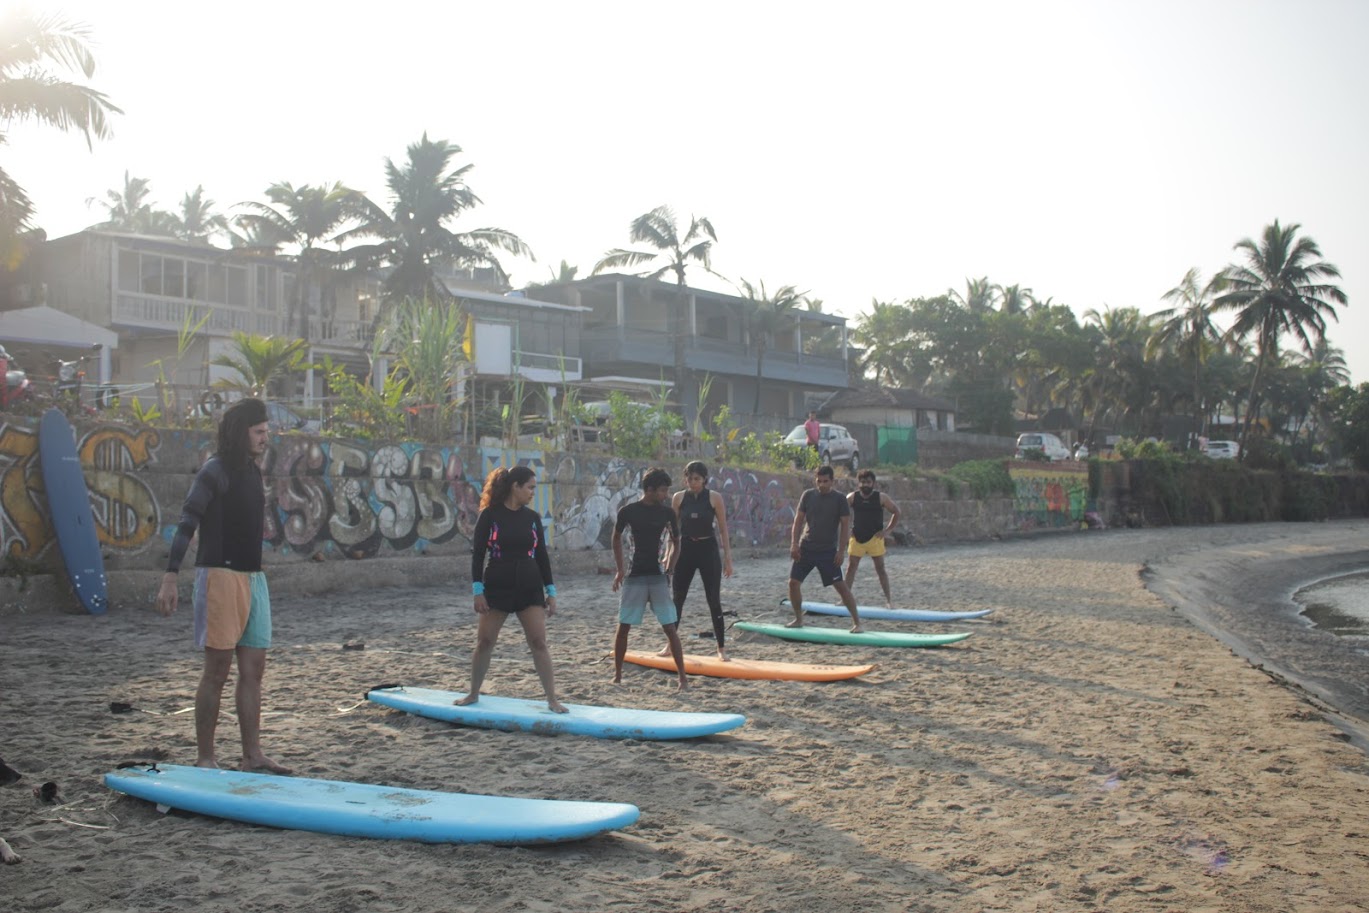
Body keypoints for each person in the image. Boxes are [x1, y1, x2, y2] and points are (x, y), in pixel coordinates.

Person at [155, 398, 291, 773]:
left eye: (266, 431)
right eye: (259, 432)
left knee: (254, 671)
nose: (266, 438)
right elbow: (187, 521)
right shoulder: (214, 470)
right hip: (219, 577)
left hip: (253, 578)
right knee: (216, 671)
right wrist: (170, 576)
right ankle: (206, 757)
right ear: (240, 432)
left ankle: (252, 755)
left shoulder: (252, 470)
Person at [460, 465, 566, 713]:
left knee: (539, 642)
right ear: (515, 487)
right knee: (485, 642)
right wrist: (478, 591)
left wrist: (551, 592)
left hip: (529, 587)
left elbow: (541, 556)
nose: (532, 493)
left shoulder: (532, 518)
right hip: (497, 586)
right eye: (529, 487)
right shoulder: (490, 516)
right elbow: (478, 556)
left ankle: (552, 699)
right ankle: (473, 693)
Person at [611, 468, 688, 690]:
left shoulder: (667, 514)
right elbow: (615, 537)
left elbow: (676, 541)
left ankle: (682, 678)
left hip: (657, 577)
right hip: (634, 577)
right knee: (624, 626)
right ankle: (617, 676)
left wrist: (670, 569)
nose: (666, 495)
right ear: (650, 490)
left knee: (670, 627)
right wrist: (619, 569)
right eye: (663, 490)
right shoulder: (628, 511)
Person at [668, 460, 734, 660]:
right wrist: (668, 554)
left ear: (704, 479)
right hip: (686, 549)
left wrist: (728, 559)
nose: (692, 482)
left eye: (696, 478)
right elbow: (673, 531)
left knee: (713, 599)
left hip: (708, 549)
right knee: (677, 599)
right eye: (689, 478)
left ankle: (721, 648)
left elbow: (723, 529)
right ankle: (669, 645)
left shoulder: (714, 498)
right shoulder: (679, 498)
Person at [787, 465, 863, 632]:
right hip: (806, 548)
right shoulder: (808, 495)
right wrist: (794, 544)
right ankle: (798, 619)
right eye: (818, 481)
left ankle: (857, 622)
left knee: (841, 587)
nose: (821, 484)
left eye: (825, 481)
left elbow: (845, 526)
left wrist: (841, 551)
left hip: (828, 551)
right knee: (793, 583)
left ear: (832, 481)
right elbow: (798, 521)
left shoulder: (839, 499)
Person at [845, 469, 902, 609]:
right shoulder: (851, 497)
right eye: (862, 482)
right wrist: (846, 531)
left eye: (868, 482)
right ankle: (844, 600)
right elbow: (842, 515)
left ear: (873, 483)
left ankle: (889, 601)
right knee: (851, 568)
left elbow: (896, 512)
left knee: (880, 569)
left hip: (875, 538)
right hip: (856, 538)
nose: (865, 485)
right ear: (858, 483)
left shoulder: (881, 498)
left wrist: (887, 531)